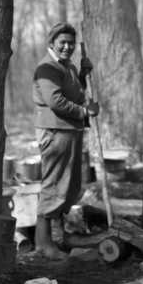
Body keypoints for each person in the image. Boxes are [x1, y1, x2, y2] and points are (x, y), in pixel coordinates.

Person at [32, 22, 99, 259]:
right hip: (55, 132)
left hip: (69, 131)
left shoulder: (67, 66)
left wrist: (82, 75)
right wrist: (83, 112)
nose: (68, 47)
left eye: (71, 43)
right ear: (52, 43)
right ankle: (43, 243)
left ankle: (58, 237)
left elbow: (74, 92)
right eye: (63, 42)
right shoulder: (47, 68)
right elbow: (55, 101)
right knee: (54, 185)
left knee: (69, 186)